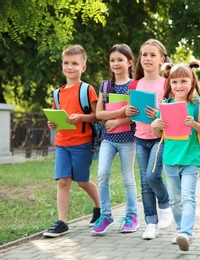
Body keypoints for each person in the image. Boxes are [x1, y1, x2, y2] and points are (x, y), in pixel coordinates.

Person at [151, 60, 200, 251]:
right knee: (175, 200)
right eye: (175, 82)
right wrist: (156, 125)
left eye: (183, 81)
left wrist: (194, 124)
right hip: (170, 159)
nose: (179, 86)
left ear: (192, 82)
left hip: (191, 159)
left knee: (188, 197)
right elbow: (157, 133)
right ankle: (179, 230)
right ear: (170, 84)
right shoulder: (165, 105)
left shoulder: (198, 105)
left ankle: (186, 232)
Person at [44, 44, 101, 238]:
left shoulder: (87, 90)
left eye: (75, 63)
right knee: (63, 181)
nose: (70, 67)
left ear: (83, 67)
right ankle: (62, 222)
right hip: (62, 143)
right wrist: (52, 124)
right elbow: (56, 116)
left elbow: (96, 115)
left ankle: (99, 207)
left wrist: (80, 117)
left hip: (82, 143)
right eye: (66, 63)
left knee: (83, 182)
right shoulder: (57, 93)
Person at [125, 39, 173, 240]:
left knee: (153, 177)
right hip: (140, 138)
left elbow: (173, 114)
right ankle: (150, 223)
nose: (148, 58)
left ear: (162, 59)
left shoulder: (166, 84)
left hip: (160, 138)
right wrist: (128, 111)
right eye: (144, 54)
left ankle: (165, 205)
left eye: (153, 55)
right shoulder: (135, 84)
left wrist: (158, 115)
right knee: (145, 183)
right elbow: (131, 114)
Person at [91, 44, 139, 235]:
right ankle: (106, 215)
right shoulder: (105, 86)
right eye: (112, 60)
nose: (116, 63)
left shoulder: (135, 86)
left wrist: (117, 121)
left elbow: (136, 114)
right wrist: (118, 114)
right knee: (102, 174)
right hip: (108, 139)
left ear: (129, 62)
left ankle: (132, 217)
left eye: (120, 59)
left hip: (128, 139)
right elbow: (99, 113)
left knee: (128, 179)